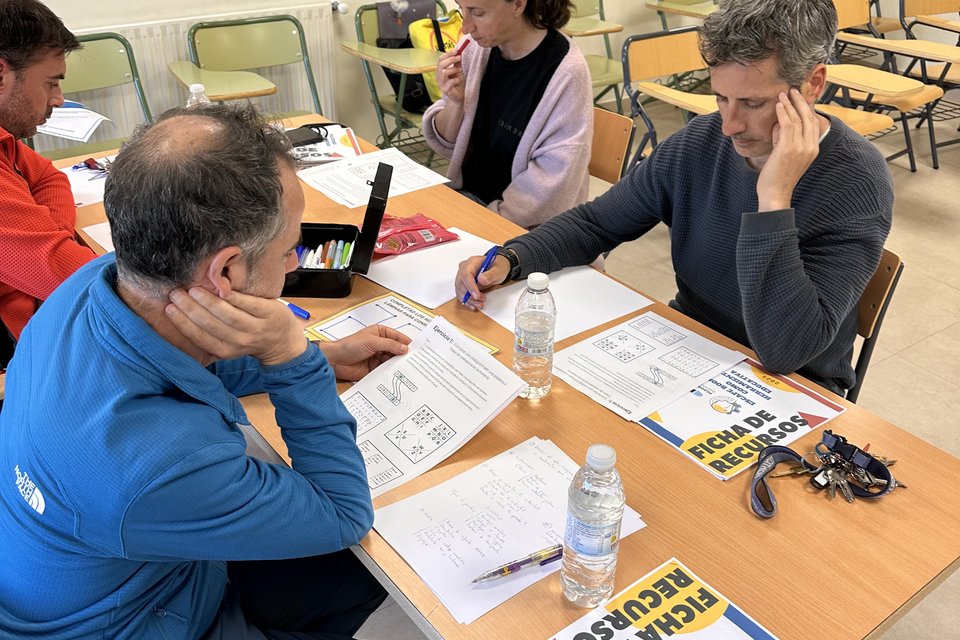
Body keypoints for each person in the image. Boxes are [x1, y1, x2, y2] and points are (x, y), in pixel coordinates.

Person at [0, 103, 412, 639]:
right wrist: (292, 359)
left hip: (83, 569)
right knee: (365, 567)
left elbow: (182, 359)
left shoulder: (90, 284)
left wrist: (325, 358)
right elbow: (343, 514)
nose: (294, 262)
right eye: (290, 248)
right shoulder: (158, 465)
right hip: (126, 622)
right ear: (226, 270)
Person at [454, 0, 894, 394]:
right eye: (720, 97)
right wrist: (512, 258)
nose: (729, 125)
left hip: (796, 385)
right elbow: (596, 223)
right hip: (690, 347)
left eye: (753, 104)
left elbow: (786, 350)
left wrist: (774, 199)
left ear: (813, 83)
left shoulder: (856, 180)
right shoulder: (701, 141)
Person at [423, 0, 593, 228]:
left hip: (525, 227)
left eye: (478, 13)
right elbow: (445, 142)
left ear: (518, 5)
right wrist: (455, 103)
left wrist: (482, 223)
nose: (465, 27)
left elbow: (551, 185)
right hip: (470, 203)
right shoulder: (476, 48)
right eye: (461, 10)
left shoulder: (567, 72)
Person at [0, 0, 96, 362]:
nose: (58, 100)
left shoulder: (5, 140)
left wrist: (47, 237)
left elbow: (49, 178)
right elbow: (73, 280)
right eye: (51, 83)